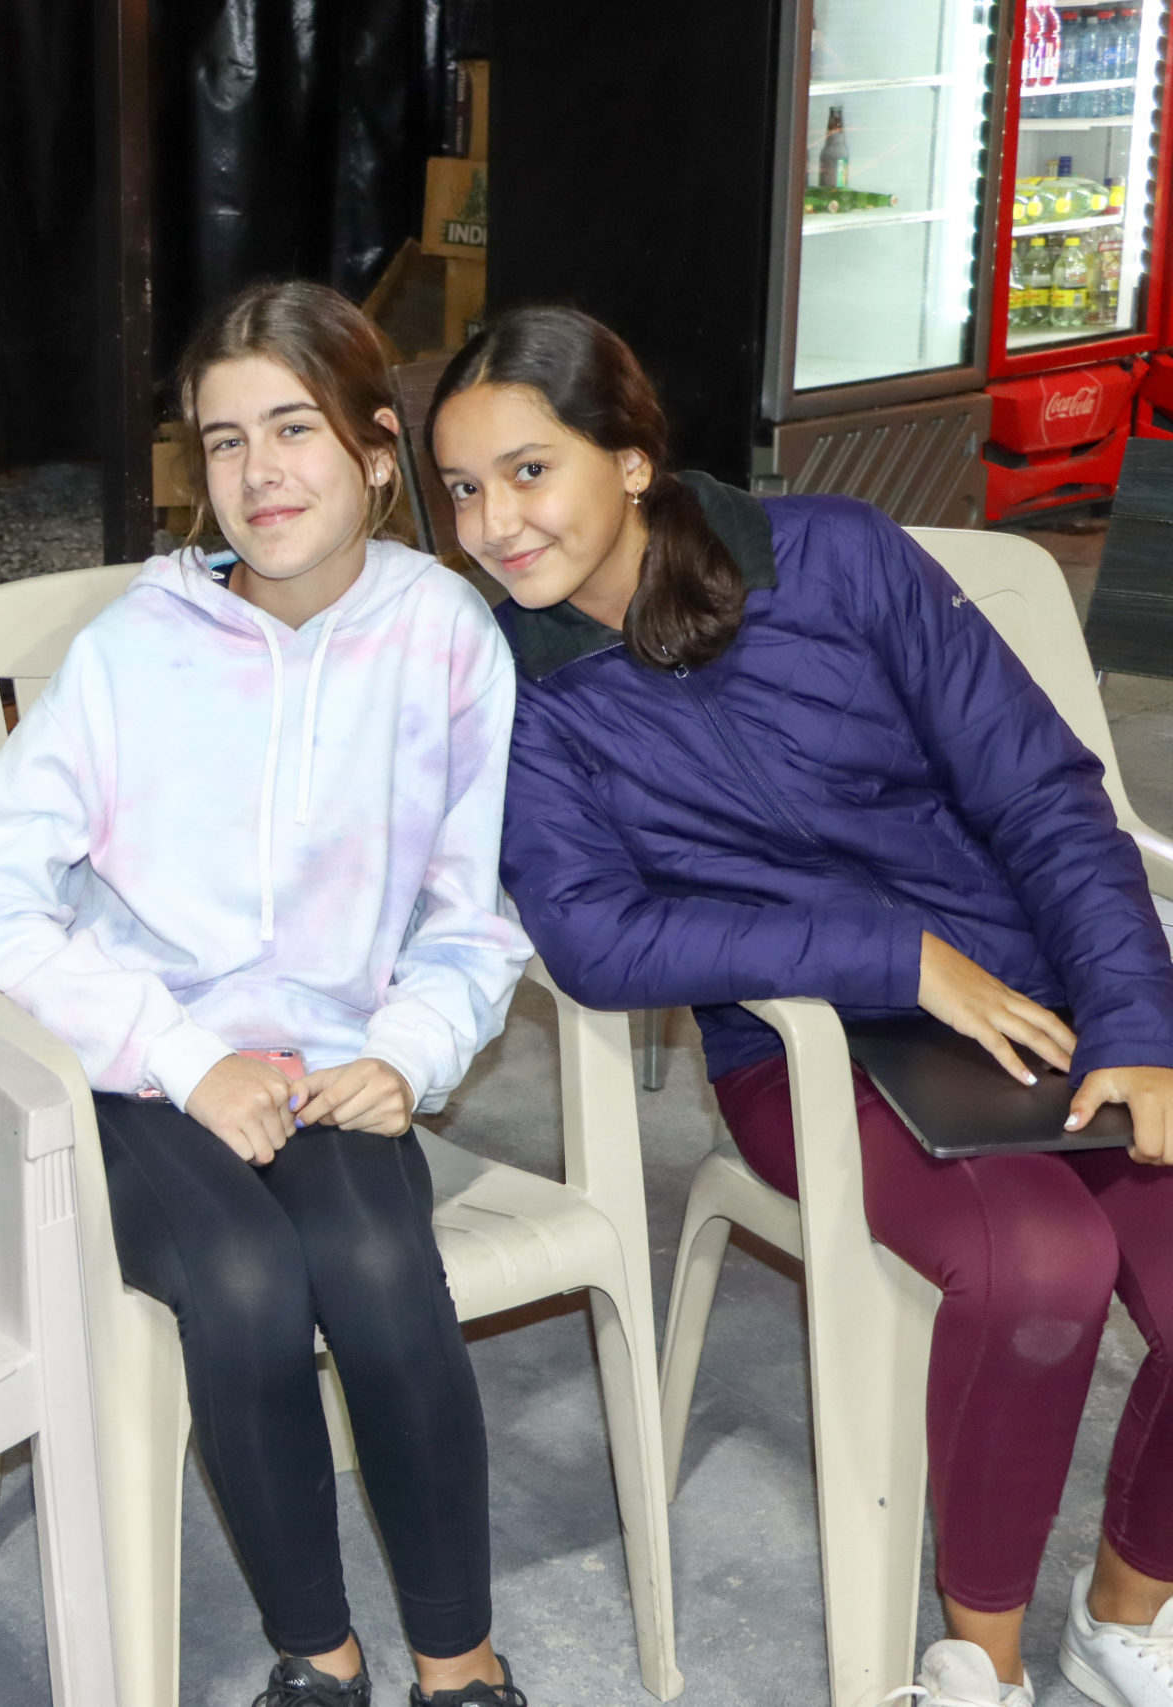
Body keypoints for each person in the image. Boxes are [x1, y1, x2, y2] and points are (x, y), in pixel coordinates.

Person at [430, 304, 1173, 1707]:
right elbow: (595, 935)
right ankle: (981, 1662)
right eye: (462, 487)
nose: (493, 522)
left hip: (1041, 994)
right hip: (804, 1047)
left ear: (633, 458)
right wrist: (897, 956)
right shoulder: (508, 682)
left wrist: (1137, 1023)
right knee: (1041, 1261)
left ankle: (1126, 1605)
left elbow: (1046, 795)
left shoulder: (836, 555)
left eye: (530, 470)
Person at [0, 280, 533, 1707]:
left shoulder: (447, 633)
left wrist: (410, 1050)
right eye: (221, 441)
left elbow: (471, 912)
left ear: (379, 451)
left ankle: (464, 1669)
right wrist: (181, 1051)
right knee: (251, 1286)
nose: (258, 473)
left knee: (385, 1276)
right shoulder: (139, 647)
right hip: (144, 1067)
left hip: (332, 1060)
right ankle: (316, 1663)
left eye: (294, 429)